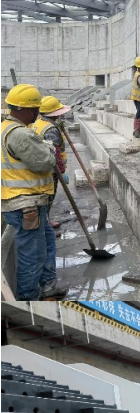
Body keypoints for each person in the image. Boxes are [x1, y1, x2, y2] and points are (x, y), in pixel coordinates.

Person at [1, 84, 67, 300]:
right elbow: (46, 162)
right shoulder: (20, 134)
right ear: (28, 110)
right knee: (32, 255)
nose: (37, 113)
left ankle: (48, 285)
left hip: (29, 203)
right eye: (36, 109)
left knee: (47, 242)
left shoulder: (6, 128)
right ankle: (29, 297)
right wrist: (48, 147)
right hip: (26, 205)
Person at [31, 95, 71, 232]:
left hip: (39, 167)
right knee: (48, 197)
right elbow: (55, 154)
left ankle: (46, 222)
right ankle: (45, 228)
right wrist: (62, 172)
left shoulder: (38, 123)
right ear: (54, 114)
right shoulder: (51, 130)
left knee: (44, 199)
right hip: (50, 170)